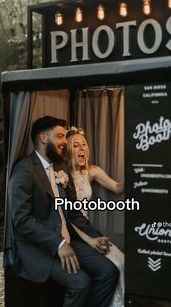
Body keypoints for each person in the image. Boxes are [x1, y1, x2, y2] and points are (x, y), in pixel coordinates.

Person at [8, 116, 119, 307]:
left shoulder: (61, 167)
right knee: (81, 282)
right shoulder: (23, 170)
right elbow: (22, 220)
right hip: (38, 248)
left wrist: (95, 238)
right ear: (43, 138)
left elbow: (74, 212)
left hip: (69, 240)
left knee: (109, 271)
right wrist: (58, 244)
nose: (63, 142)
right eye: (59, 136)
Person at [66, 127, 125, 307]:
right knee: (112, 265)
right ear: (68, 150)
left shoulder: (91, 171)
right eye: (76, 145)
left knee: (121, 260)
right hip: (73, 231)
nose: (82, 148)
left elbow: (117, 188)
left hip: (87, 228)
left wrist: (136, 170)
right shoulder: (61, 175)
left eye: (84, 144)